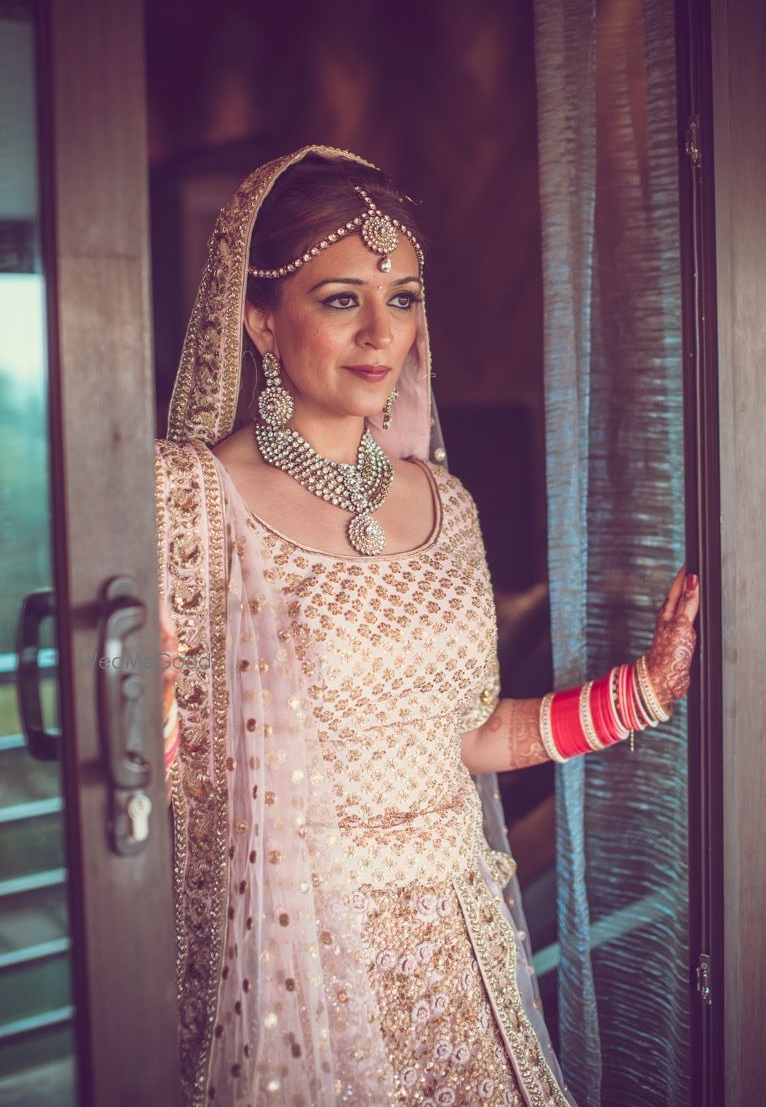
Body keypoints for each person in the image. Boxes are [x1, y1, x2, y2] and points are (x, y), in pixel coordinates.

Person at [155, 144, 699, 1107]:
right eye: (339, 299)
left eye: (402, 298)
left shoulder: (444, 504)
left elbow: (468, 736)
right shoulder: (188, 502)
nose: (380, 333)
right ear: (258, 320)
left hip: (456, 944)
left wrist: (641, 694)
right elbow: (163, 768)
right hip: (299, 960)